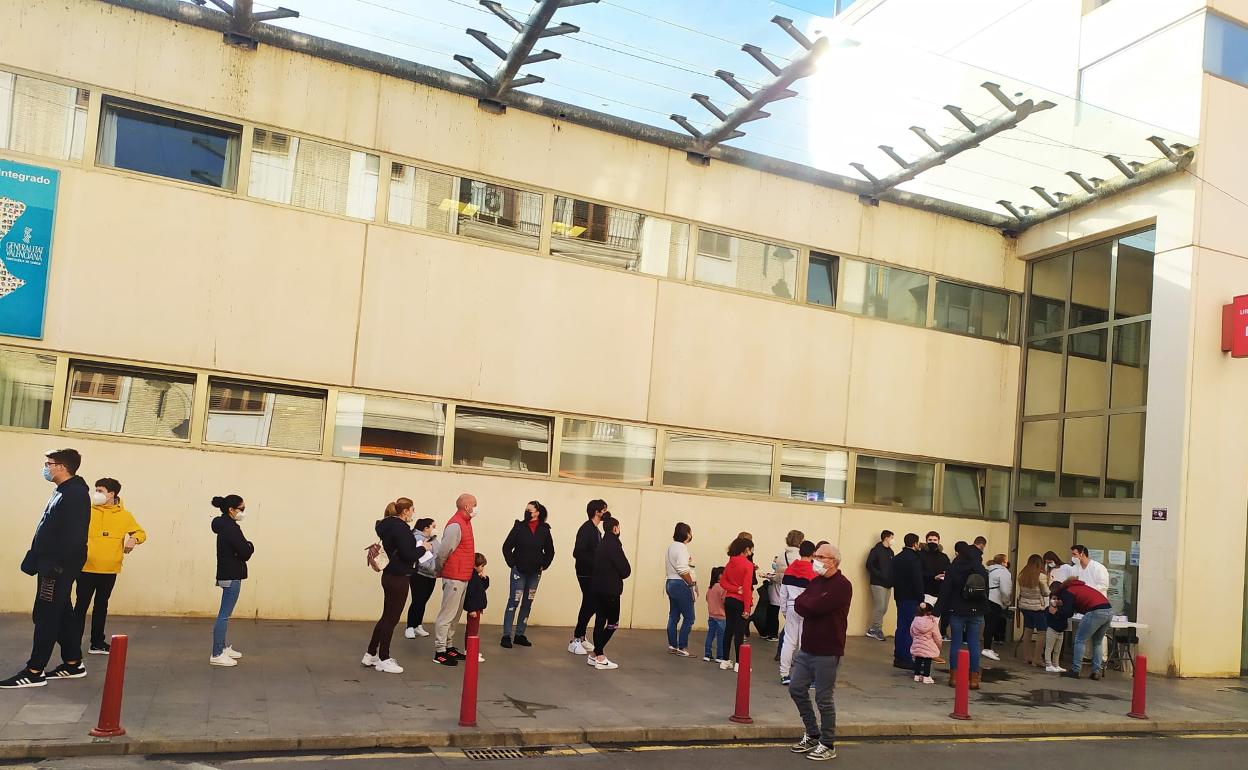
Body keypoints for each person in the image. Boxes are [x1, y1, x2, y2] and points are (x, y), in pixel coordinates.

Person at [2, 449, 91, 689]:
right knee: (61, 613)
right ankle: (73, 663)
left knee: (46, 615)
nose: (46, 468)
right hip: (50, 563)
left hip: (57, 567)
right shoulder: (64, 491)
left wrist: (56, 566)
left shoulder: (75, 494)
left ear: (62, 467)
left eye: (48, 464)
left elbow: (74, 537)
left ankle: (34, 671)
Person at [786, 543, 852, 762]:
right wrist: (809, 603)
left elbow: (815, 607)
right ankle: (812, 733)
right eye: (815, 555)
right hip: (807, 648)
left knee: (824, 698)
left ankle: (827, 742)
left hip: (828, 650)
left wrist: (809, 604)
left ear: (832, 560)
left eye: (819, 556)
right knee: (796, 689)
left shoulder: (842, 585)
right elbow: (799, 604)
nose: (815, 559)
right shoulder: (815, 582)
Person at [75, 477, 146, 656]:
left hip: (109, 569)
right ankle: (73, 643)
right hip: (85, 568)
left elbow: (140, 532)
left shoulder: (124, 515)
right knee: (81, 605)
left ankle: (97, 643)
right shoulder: (86, 511)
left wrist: (133, 539)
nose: (96, 494)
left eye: (100, 490)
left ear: (111, 494)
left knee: (101, 605)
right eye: (96, 490)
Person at [363, 498, 427, 674]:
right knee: (392, 618)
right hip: (399, 577)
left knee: (386, 616)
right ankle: (384, 658)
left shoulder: (387, 526)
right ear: (405, 511)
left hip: (389, 575)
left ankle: (370, 654)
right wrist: (424, 548)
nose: (414, 513)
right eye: (412, 509)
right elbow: (408, 554)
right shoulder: (401, 528)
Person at [500, 501, 555, 649]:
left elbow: (550, 551)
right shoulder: (519, 527)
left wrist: (544, 565)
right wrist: (513, 564)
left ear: (537, 512)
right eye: (526, 509)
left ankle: (519, 634)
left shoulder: (544, 530)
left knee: (527, 602)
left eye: (530, 510)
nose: (527, 512)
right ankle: (506, 635)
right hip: (519, 571)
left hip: (535, 573)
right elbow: (506, 547)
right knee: (514, 602)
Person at [432, 493, 478, 667]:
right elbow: (444, 550)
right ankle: (440, 651)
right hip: (454, 576)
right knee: (447, 615)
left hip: (463, 575)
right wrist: (439, 568)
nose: (476, 508)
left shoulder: (466, 523)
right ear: (467, 507)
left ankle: (449, 645)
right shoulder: (455, 525)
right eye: (475, 504)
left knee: (456, 615)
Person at [936, 541, 989, 689]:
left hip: (957, 610)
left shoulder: (954, 568)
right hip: (976, 611)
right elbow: (986, 591)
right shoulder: (980, 569)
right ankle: (974, 679)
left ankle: (954, 677)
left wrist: (937, 611)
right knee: (974, 644)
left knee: (956, 644)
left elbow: (945, 591)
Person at [209, 494, 253, 668]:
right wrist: (250, 545)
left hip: (226, 574)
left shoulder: (224, 525)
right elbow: (245, 551)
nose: (243, 512)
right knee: (224, 616)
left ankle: (223, 648)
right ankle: (217, 653)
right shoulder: (231, 528)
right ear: (231, 510)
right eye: (241, 509)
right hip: (231, 575)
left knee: (225, 615)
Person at [588, 516, 630, 670]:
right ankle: (599, 655)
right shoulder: (614, 545)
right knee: (613, 623)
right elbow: (625, 570)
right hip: (610, 591)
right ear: (615, 528)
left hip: (597, 589)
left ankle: (594, 655)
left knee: (600, 621)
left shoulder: (602, 543)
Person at [1056, 571, 1114, 680]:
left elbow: (1068, 612)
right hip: (1109, 610)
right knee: (1097, 642)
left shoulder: (1067, 591)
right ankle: (1096, 672)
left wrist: (1058, 610)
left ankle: (1075, 670)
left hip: (1095, 611)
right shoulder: (1083, 587)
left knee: (1080, 640)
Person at [569, 499, 607, 656]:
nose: (605, 513)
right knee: (590, 603)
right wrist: (595, 563)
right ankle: (576, 639)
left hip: (593, 574)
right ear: (597, 512)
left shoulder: (597, 531)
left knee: (590, 603)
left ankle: (582, 636)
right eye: (603, 510)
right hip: (585, 573)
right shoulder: (586, 529)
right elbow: (578, 552)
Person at [777, 541, 816, 685]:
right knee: (805, 643)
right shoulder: (813, 571)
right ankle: (804, 676)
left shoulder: (790, 569)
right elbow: (814, 594)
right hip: (807, 609)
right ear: (813, 554)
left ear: (800, 552)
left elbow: (783, 593)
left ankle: (784, 674)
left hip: (791, 606)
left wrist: (784, 610)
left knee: (789, 641)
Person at [719, 537, 755, 671]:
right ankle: (739, 664)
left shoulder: (730, 563)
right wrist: (747, 608)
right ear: (746, 549)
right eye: (751, 550)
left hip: (729, 600)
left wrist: (734, 589)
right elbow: (746, 588)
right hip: (740, 602)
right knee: (739, 632)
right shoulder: (747, 565)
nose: (751, 553)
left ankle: (725, 660)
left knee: (728, 629)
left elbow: (723, 582)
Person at [890, 533, 924, 671]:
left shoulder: (897, 558)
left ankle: (898, 656)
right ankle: (906, 658)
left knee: (901, 626)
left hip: (900, 595)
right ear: (915, 544)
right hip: (911, 597)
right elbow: (917, 580)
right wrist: (920, 597)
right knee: (910, 629)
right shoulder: (914, 559)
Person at [767, 530, 804, 649]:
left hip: (781, 587)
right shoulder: (800, 557)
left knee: (785, 619)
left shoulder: (781, 556)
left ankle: (781, 651)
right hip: (796, 591)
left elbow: (777, 575)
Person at [664, 522, 696, 656]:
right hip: (681, 584)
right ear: (686, 534)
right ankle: (682, 647)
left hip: (670, 582)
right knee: (689, 617)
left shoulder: (671, 547)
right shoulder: (682, 548)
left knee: (674, 615)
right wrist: (691, 584)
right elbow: (683, 569)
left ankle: (672, 645)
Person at [404, 518, 438, 639]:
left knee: (423, 601)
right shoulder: (419, 539)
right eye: (433, 526)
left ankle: (418, 625)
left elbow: (437, 555)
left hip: (432, 575)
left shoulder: (434, 540)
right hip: (420, 575)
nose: (435, 529)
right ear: (426, 528)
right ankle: (410, 627)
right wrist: (434, 568)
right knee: (417, 601)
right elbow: (423, 560)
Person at [1015, 554, 1050, 666]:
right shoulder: (1041, 576)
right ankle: (1037, 659)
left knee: (1028, 630)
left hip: (1025, 607)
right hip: (1037, 608)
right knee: (1042, 632)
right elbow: (1045, 592)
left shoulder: (1022, 575)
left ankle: (1026, 657)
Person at [920, 531, 951, 641]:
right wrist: (933, 576)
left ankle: (931, 646)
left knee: (935, 621)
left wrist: (945, 575)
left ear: (939, 541)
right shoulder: (920, 555)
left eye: (935, 540)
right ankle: (922, 644)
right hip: (926, 592)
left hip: (940, 592)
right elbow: (919, 572)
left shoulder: (944, 557)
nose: (932, 542)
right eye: (930, 540)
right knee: (924, 621)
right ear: (926, 541)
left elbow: (949, 570)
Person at [864, 530, 894, 642]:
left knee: (884, 608)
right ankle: (876, 630)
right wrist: (879, 575)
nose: (892, 540)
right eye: (892, 537)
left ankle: (872, 629)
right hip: (877, 583)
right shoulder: (876, 550)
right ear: (886, 538)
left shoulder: (891, 552)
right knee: (880, 606)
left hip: (888, 584)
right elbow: (869, 564)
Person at [982, 553, 1011, 661]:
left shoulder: (988, 569)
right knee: (992, 625)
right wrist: (1006, 602)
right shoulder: (1004, 572)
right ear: (1004, 562)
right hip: (995, 600)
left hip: (985, 598)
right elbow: (1005, 590)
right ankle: (987, 648)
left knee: (988, 624)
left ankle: (987, 647)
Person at [1044, 565, 1072, 673]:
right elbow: (1050, 613)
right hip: (1052, 629)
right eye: (1054, 598)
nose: (1056, 600)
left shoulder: (1063, 604)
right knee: (1049, 648)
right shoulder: (1050, 606)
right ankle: (1048, 664)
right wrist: (1054, 606)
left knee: (1058, 650)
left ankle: (1056, 664)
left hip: (1061, 630)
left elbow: (1065, 612)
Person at [465, 553, 490, 663]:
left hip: (477, 608)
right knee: (472, 631)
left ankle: (470, 650)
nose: (483, 568)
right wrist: (472, 609)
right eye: (482, 566)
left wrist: (484, 579)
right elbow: (470, 594)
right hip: (474, 609)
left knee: (473, 630)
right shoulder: (472, 577)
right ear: (476, 565)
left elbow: (482, 588)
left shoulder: (476, 577)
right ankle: (470, 652)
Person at [909, 602, 941, 684]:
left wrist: (915, 639)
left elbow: (911, 631)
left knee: (918, 659)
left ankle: (917, 675)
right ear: (930, 612)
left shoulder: (915, 620)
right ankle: (926, 676)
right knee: (927, 660)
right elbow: (937, 636)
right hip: (928, 645)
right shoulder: (932, 622)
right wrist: (938, 645)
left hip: (917, 643)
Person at [704, 566, 727, 663]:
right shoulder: (722, 588)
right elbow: (725, 601)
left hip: (711, 615)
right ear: (720, 576)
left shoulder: (711, 587)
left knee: (710, 635)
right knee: (721, 637)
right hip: (721, 616)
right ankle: (720, 656)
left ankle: (707, 654)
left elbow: (707, 598)